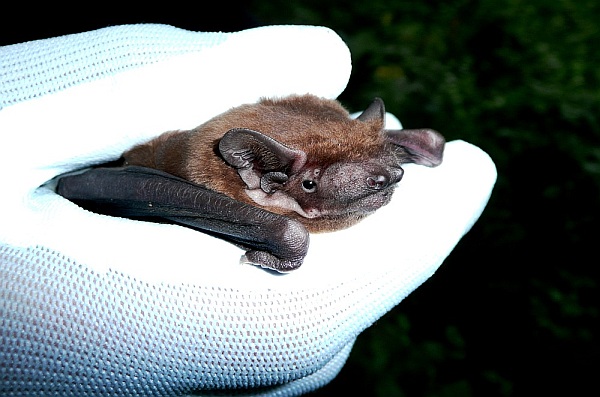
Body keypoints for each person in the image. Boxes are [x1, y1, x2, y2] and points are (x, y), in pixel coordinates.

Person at [0, 24, 496, 396]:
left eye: (387, 163)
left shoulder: (327, 155)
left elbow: (344, 143)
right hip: (148, 175)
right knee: (289, 232)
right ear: (266, 176)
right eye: (310, 181)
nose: (390, 179)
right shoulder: (232, 181)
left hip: (289, 154)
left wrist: (374, 151)